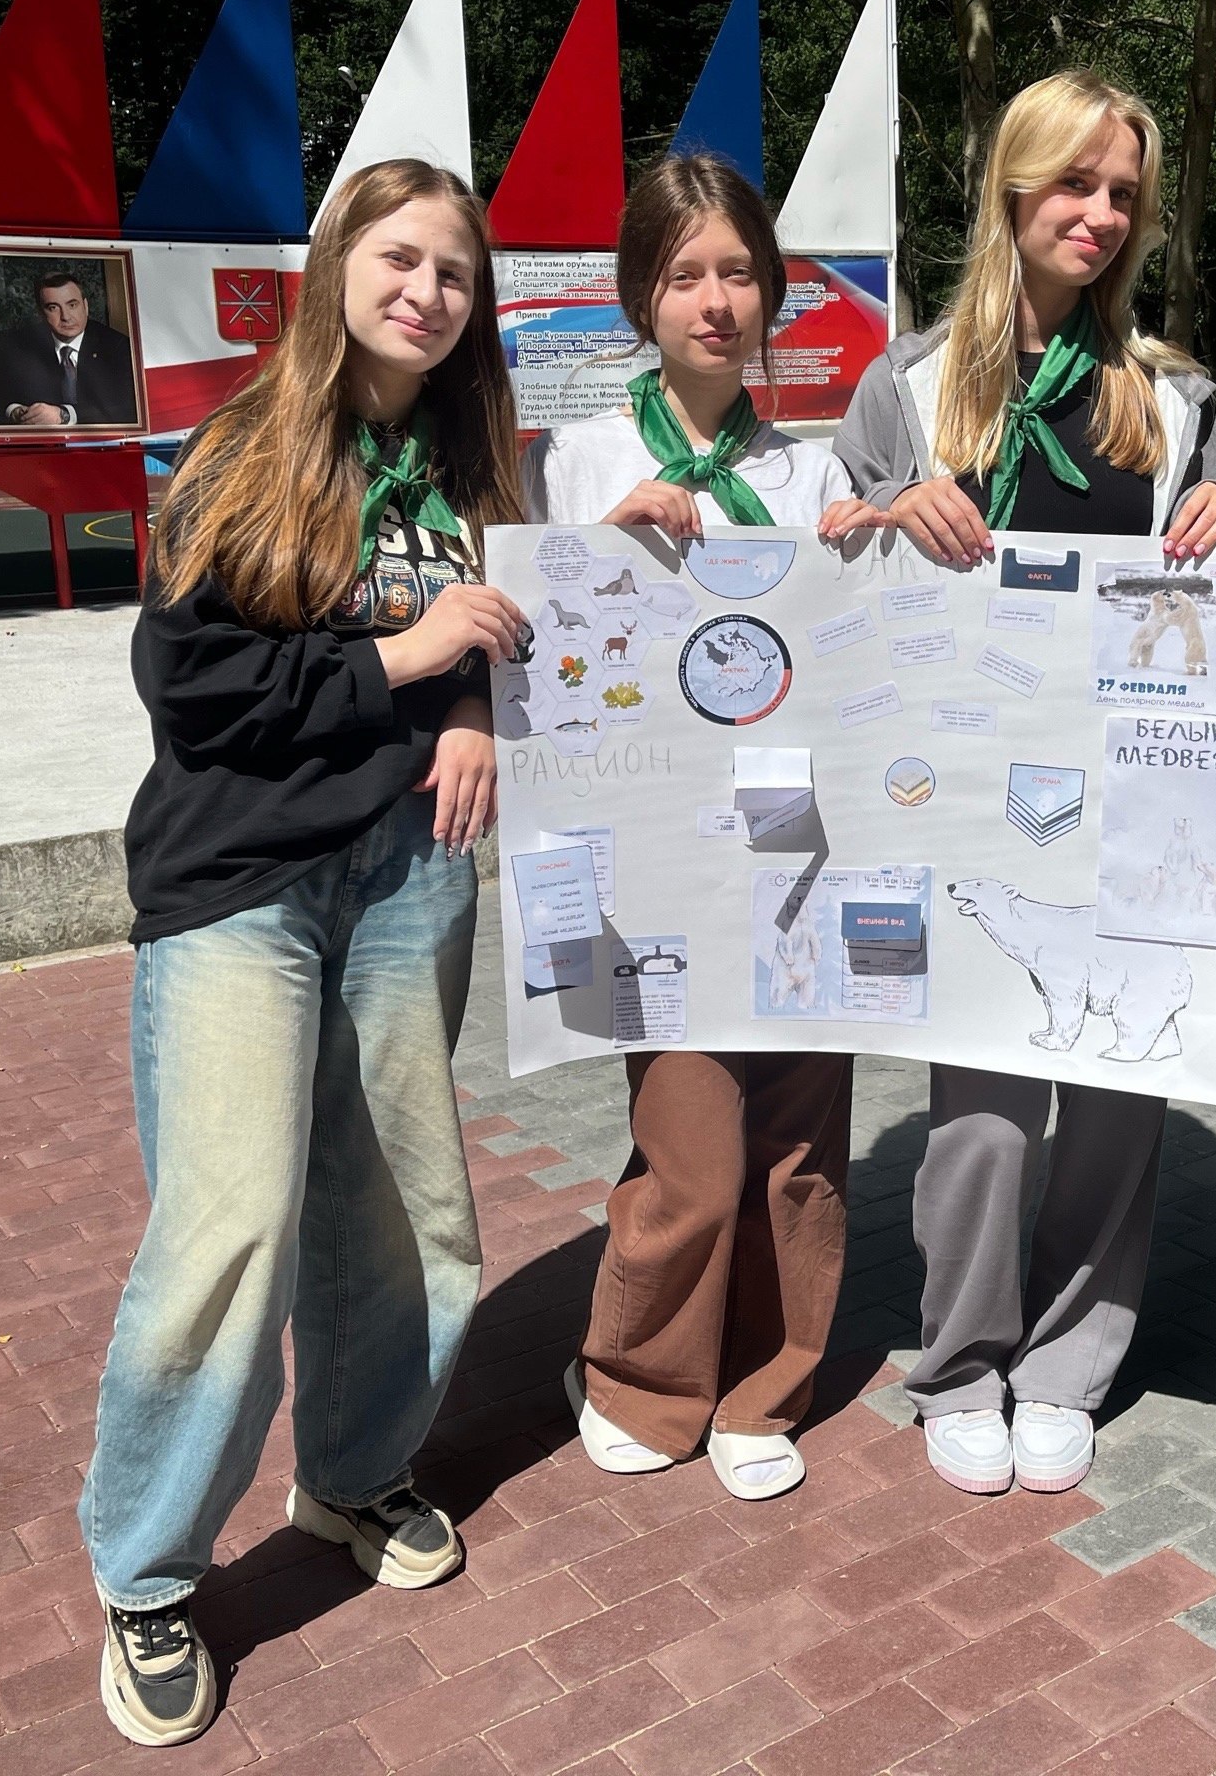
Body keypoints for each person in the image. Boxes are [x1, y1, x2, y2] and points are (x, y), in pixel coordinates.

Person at [82, 158, 529, 1747]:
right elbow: (193, 689)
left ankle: (354, 1470)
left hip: (409, 874)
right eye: (399, 258)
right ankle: (148, 1574)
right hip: (240, 886)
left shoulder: (474, 469)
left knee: (406, 1210)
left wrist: (470, 706)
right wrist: (406, 660)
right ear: (338, 266)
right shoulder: (246, 450)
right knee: (232, 1227)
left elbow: (505, 629)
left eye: (454, 273)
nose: (425, 292)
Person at [834, 70, 1216, 1496]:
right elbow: (827, 571)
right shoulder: (907, 387)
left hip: (1132, 803)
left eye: (1123, 192)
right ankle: (960, 1363)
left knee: (1120, 1093)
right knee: (981, 1110)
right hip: (963, 805)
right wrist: (877, 511)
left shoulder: (1171, 398)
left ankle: (1070, 1362)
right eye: (1074, 183)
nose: (1100, 213)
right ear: (1011, 190)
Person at [526, 153, 878, 1501]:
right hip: (654, 845)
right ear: (643, 296)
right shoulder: (580, 458)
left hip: (792, 837)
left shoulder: (810, 467)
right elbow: (543, 650)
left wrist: (868, 555)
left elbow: (852, 661)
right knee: (690, 1143)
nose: (715, 302)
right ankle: (639, 1374)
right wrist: (601, 547)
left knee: (797, 1142)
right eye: (685, 276)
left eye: (738, 273)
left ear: (773, 293)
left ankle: (767, 1384)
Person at [0, 267, 140, 427]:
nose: (66, 317)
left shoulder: (118, 346)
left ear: (86, 306)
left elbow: (122, 407)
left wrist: (64, 415)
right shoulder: (19, 347)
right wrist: (15, 411)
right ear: (41, 313)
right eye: (53, 308)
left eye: (72, 305)